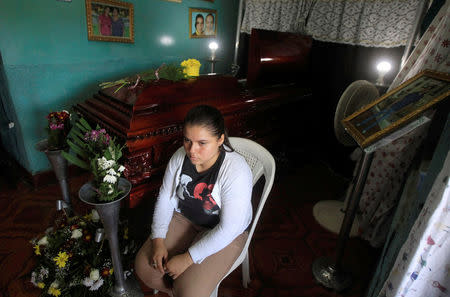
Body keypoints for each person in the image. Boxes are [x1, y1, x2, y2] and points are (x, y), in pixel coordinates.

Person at [135, 105, 253, 297]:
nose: (192, 150)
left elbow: (230, 228)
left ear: (220, 139)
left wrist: (188, 259)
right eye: (187, 140)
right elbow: (165, 197)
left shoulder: (236, 171)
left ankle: (184, 288)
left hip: (224, 230)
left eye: (202, 143)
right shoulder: (180, 157)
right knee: (144, 267)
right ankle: (179, 289)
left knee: (190, 291)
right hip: (186, 217)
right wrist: (158, 240)